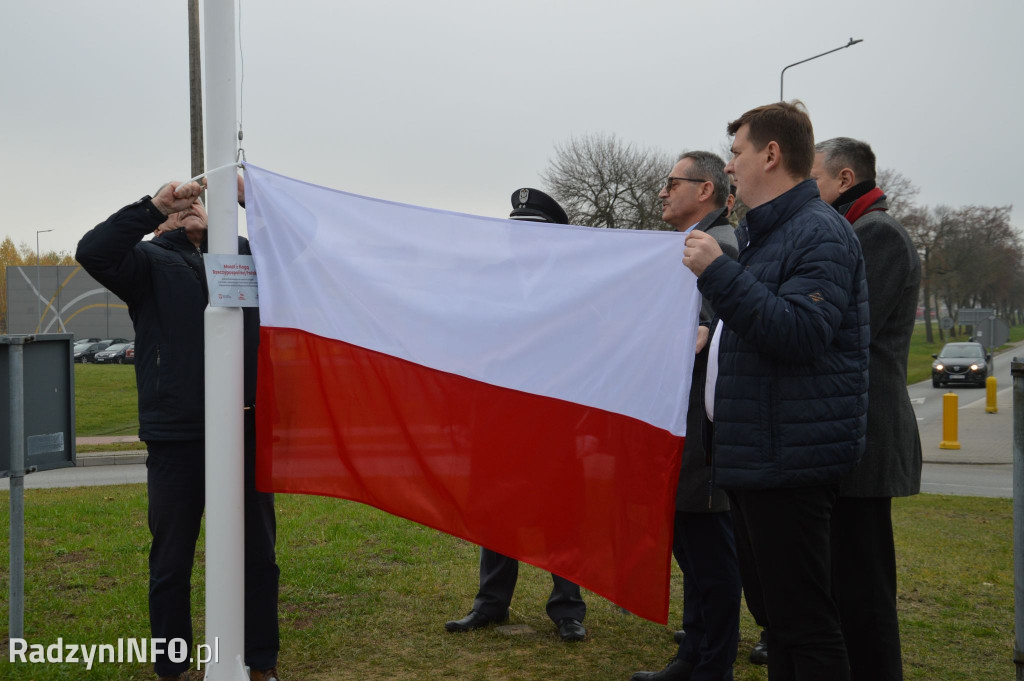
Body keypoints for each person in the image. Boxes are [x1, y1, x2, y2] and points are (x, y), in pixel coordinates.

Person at [682, 101, 869, 680]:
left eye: (737, 153)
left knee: (805, 627)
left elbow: (801, 332)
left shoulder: (818, 232)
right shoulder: (768, 234)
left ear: (771, 153)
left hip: (789, 461)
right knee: (779, 624)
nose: (730, 167)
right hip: (756, 457)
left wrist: (719, 272)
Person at [75, 180, 281, 681]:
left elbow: (297, 249)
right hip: (178, 434)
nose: (190, 210)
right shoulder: (145, 263)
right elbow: (92, 251)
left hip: (246, 427)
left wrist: (246, 200)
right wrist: (156, 206)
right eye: (180, 207)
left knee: (259, 557)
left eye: (197, 205)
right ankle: (173, 667)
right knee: (171, 560)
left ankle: (260, 664)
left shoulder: (244, 257)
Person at [444, 187, 588, 643]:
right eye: (514, 233)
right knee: (495, 506)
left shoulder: (576, 285)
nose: (518, 242)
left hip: (553, 415)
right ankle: (490, 603)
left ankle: (568, 608)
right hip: (500, 415)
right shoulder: (491, 281)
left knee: (559, 512)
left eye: (531, 235)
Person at [812, 137, 922, 681]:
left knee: (866, 586)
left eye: (813, 179)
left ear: (845, 179)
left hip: (868, 432)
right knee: (849, 580)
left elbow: (848, 332)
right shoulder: (861, 229)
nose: (807, 189)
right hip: (855, 428)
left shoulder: (875, 234)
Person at [631, 151, 741, 681]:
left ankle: (711, 665)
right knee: (693, 552)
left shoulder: (721, 246)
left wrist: (707, 327)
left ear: (705, 190)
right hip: (684, 424)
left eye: (672, 182)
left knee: (710, 556)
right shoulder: (692, 243)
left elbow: (728, 315)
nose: (661, 191)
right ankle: (692, 656)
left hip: (705, 432)